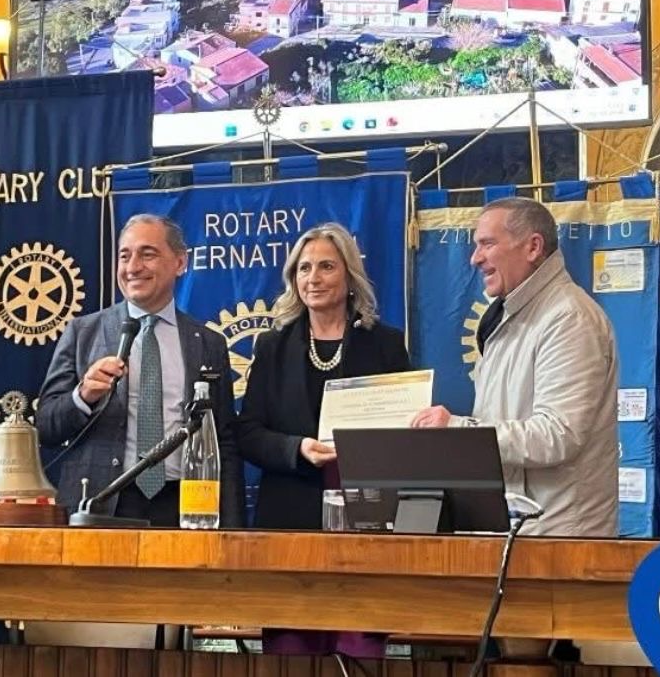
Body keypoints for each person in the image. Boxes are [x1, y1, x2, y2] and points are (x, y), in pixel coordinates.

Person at [235, 222, 409, 657]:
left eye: (326, 266)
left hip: (366, 524)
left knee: (360, 650)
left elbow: (406, 433)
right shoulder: (272, 347)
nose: (313, 277)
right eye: (304, 268)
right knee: (292, 650)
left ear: (349, 276)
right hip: (290, 522)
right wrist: (296, 448)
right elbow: (248, 433)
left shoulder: (386, 345)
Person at [412, 197, 618, 537]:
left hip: (557, 540)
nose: (475, 258)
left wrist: (459, 430)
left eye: (487, 244)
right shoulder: (509, 315)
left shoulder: (569, 319)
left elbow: (558, 435)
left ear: (533, 247)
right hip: (518, 532)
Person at [37, 214, 244, 527]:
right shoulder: (83, 333)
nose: (133, 267)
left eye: (148, 254)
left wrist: (231, 525)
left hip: (184, 506)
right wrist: (83, 396)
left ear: (180, 262)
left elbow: (224, 441)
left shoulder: (208, 343)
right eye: (124, 256)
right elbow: (46, 426)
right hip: (103, 504)